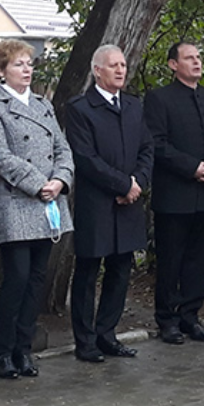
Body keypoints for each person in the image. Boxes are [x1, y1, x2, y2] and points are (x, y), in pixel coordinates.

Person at [0, 41, 73, 380]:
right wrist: (38, 183)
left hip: (49, 202)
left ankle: (24, 349)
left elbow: (62, 148)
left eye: (29, 63)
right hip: (17, 201)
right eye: (18, 64)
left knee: (37, 279)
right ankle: (2, 351)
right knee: (16, 278)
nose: (27, 69)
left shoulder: (44, 105)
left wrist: (60, 180)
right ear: (1, 71)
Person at [64, 44, 154, 363]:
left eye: (123, 65)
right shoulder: (80, 108)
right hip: (97, 204)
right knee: (88, 272)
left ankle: (107, 334)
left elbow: (147, 148)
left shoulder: (133, 105)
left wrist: (137, 182)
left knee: (120, 270)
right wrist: (123, 184)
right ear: (97, 70)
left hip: (128, 204)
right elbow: (86, 158)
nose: (120, 70)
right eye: (113, 65)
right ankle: (85, 340)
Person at [144, 42, 204, 344]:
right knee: (171, 261)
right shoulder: (159, 99)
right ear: (173, 64)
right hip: (175, 195)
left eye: (198, 58)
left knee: (200, 261)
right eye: (189, 58)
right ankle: (167, 319)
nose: (197, 62)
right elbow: (157, 144)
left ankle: (190, 316)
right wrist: (193, 167)